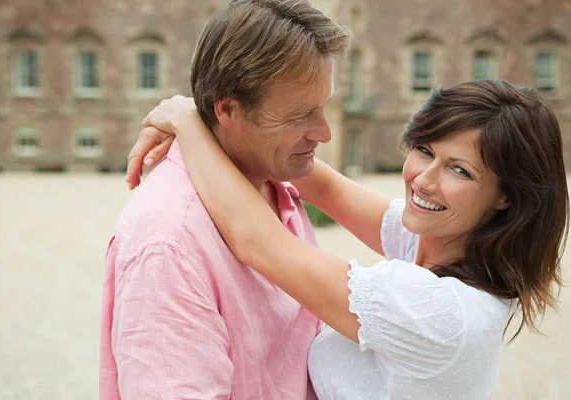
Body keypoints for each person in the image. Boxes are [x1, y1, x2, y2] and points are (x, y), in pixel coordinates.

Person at [126, 79, 568, 399]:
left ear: (506, 197)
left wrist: (185, 121)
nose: (423, 181)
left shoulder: (439, 312)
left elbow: (257, 241)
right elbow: (326, 187)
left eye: (460, 170)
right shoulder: (446, 239)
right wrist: (224, 119)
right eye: (426, 151)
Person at [99, 0, 351, 399]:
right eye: (301, 114)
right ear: (228, 108)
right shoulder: (169, 244)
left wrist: (188, 119)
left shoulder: (275, 177)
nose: (324, 132)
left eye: (324, 107)